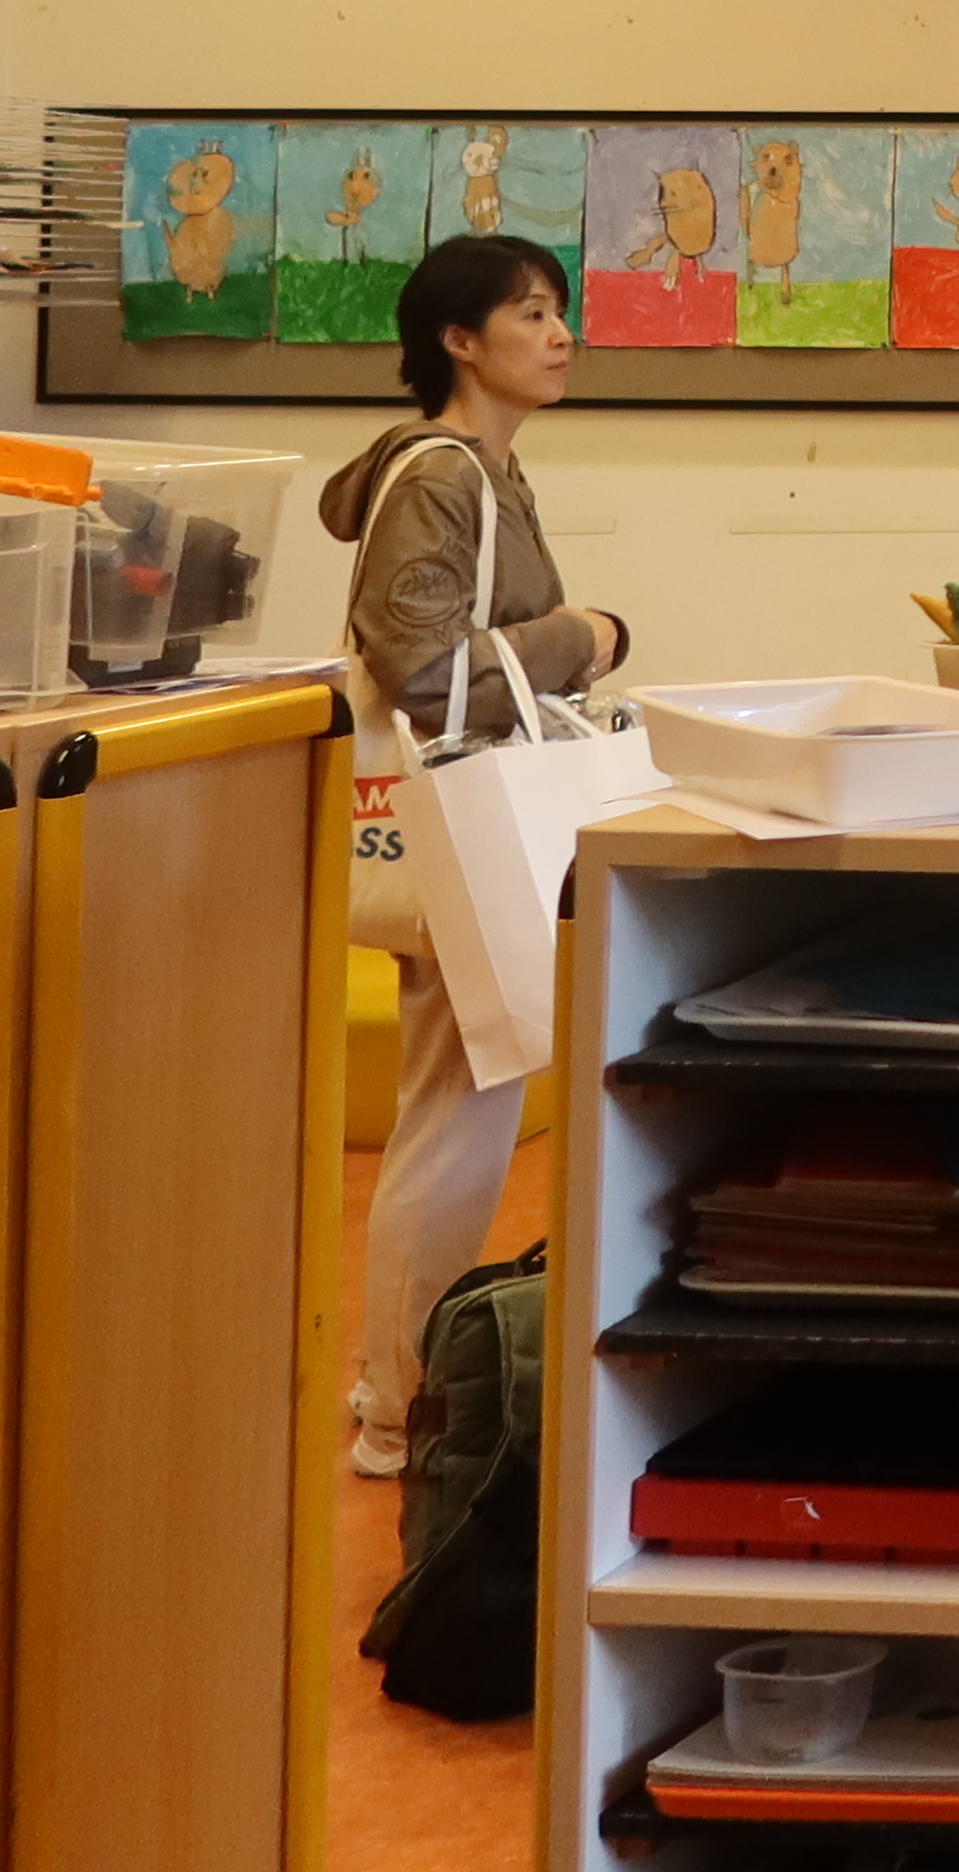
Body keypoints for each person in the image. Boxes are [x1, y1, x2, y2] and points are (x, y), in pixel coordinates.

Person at [328, 230, 630, 1477]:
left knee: (464, 1105)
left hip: (473, 820)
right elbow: (425, 670)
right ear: (460, 341)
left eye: (560, 310)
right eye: (528, 313)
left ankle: (402, 1390)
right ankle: (400, 1406)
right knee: (455, 1111)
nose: (558, 333)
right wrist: (586, 634)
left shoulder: (479, 471)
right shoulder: (447, 474)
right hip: (461, 824)